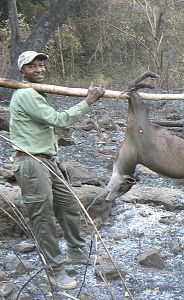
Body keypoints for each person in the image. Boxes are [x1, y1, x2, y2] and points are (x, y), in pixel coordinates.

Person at [10, 50, 105, 289]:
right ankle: (54, 270)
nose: (39, 69)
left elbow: (43, 131)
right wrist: (88, 102)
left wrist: (57, 158)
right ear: (22, 72)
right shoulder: (25, 94)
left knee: (68, 206)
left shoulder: (37, 94)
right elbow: (59, 120)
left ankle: (75, 251)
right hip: (31, 163)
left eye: (41, 65)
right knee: (43, 219)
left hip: (47, 160)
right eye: (32, 66)